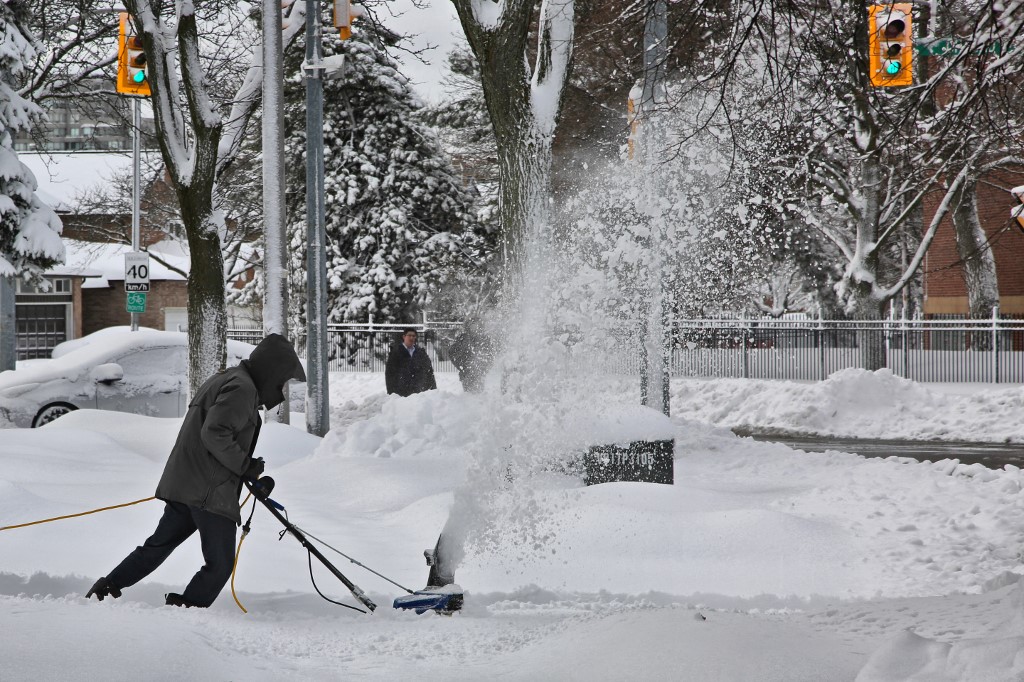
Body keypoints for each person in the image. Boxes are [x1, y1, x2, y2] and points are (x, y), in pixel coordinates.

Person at [85, 333, 306, 608]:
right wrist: (245, 465)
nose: (281, 388)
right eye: (282, 380)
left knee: (157, 546)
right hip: (208, 492)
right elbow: (215, 433)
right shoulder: (242, 388)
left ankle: (104, 588)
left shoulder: (226, 378)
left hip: (187, 482)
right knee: (220, 563)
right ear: (272, 371)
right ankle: (187, 610)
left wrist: (246, 467)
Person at [385, 328, 437, 396]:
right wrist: (392, 393)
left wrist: (433, 389)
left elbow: (429, 371)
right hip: (402, 394)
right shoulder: (395, 353)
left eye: (414, 336)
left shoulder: (421, 353)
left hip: (419, 394)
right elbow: (390, 374)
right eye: (409, 335)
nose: (412, 337)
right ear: (404, 337)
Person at [448, 320, 495, 393]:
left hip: (479, 374)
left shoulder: (485, 339)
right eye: (472, 325)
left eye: (476, 325)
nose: (474, 327)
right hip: (466, 374)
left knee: (479, 396)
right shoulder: (462, 338)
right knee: (468, 397)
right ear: (468, 326)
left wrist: (484, 368)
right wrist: (462, 366)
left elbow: (491, 355)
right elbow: (452, 353)